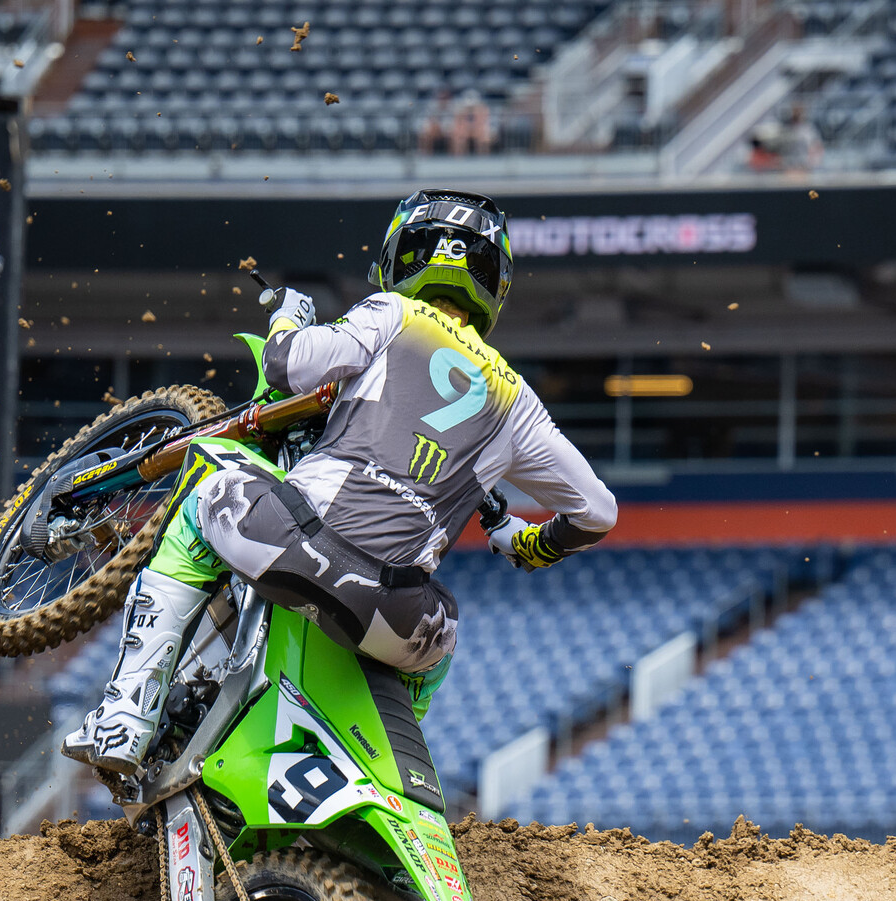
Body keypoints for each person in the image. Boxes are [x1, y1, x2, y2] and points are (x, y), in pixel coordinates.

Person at [63, 189, 617, 778]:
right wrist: (531, 543)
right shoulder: (517, 402)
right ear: (494, 285)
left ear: (401, 256)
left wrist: (287, 317)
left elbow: (287, 365)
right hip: (393, 610)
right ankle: (378, 770)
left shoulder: (389, 313)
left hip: (298, 544)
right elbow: (597, 512)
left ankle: (126, 712)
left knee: (209, 484)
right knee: (440, 643)